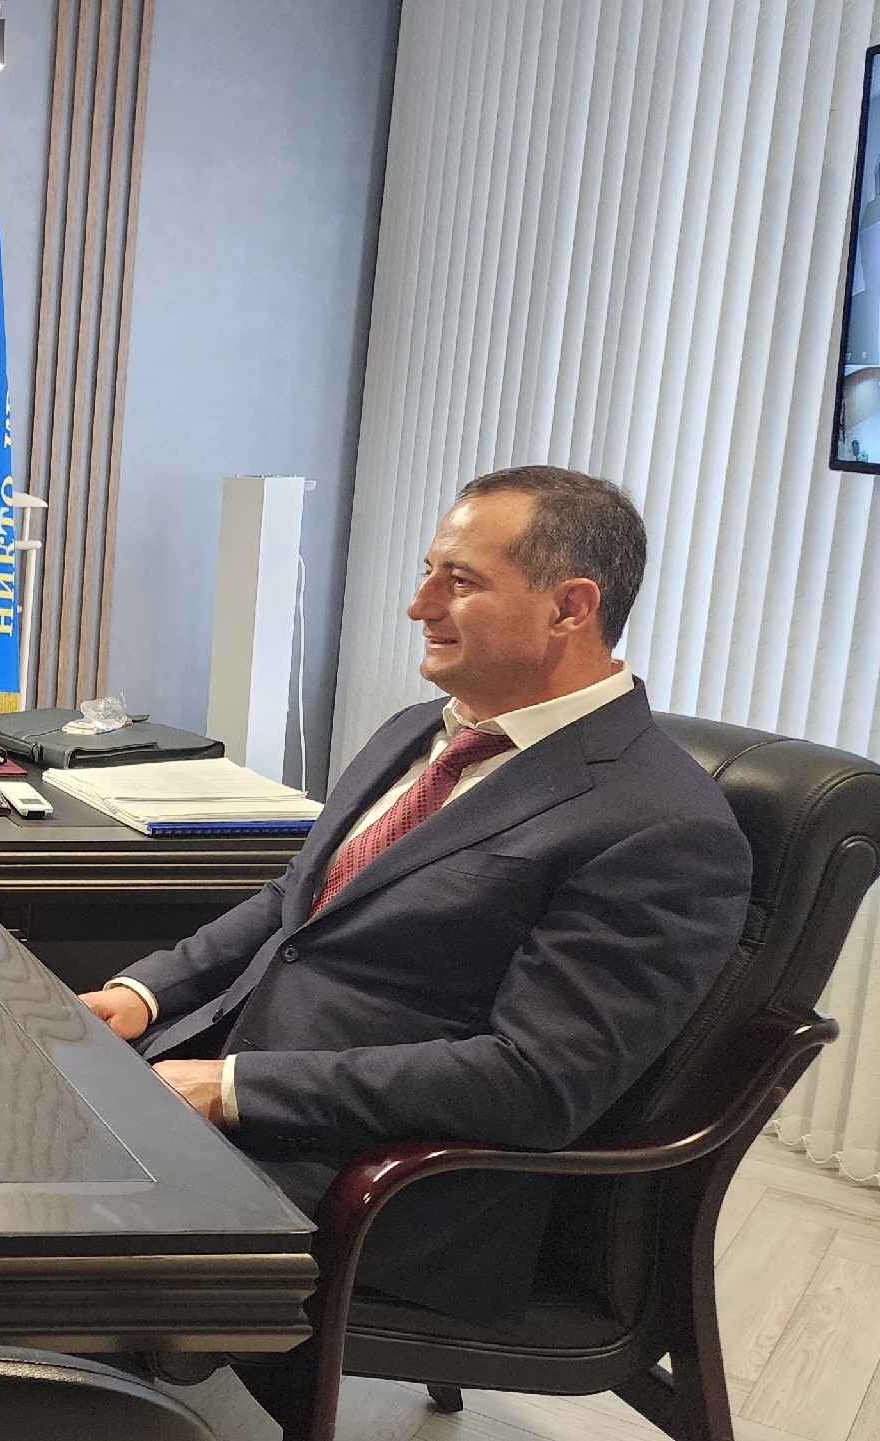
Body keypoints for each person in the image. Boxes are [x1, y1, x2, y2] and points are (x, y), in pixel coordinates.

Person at [81, 467, 750, 1418]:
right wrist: (143, 993)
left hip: (374, 1184)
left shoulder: (662, 825)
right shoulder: (420, 730)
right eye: (429, 570)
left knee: (15, 1251)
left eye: (459, 581)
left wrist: (231, 1087)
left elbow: (533, 1081)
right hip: (228, 1088)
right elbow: (294, 903)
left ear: (570, 607)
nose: (418, 603)